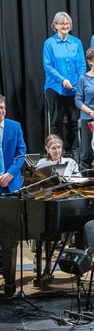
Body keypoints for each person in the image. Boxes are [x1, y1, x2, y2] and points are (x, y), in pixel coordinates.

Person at [43, 11, 86, 153]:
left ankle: (74, 151)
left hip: (74, 87)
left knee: (74, 121)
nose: (65, 26)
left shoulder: (76, 42)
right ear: (55, 25)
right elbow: (47, 66)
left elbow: (81, 64)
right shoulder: (49, 43)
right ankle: (57, 152)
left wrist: (80, 81)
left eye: (67, 23)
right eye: (62, 24)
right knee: (56, 122)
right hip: (55, 88)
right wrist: (62, 81)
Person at [0, 94, 27, 298]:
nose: (0, 111)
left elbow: (21, 153)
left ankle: (10, 284)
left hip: (11, 187)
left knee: (9, 237)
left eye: (2, 107)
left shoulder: (14, 126)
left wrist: (10, 174)